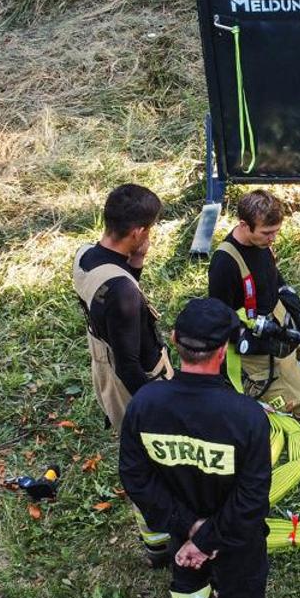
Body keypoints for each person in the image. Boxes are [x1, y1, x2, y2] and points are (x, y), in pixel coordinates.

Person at [119, 298, 275, 598]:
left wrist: (189, 530)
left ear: (174, 339)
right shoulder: (246, 418)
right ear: (223, 350)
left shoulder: (144, 404)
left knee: (189, 587)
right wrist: (209, 539)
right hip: (236, 539)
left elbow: (135, 477)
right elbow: (251, 499)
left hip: (180, 529)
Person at [73, 184, 176, 559]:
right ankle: (160, 539)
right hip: (136, 380)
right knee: (156, 459)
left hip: (103, 363)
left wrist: (137, 262)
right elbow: (130, 363)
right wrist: (163, 401)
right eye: (149, 229)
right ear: (138, 232)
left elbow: (118, 306)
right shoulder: (122, 292)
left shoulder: (86, 257)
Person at [206, 190, 300, 415]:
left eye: (276, 232)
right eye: (267, 233)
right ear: (244, 225)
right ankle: (261, 382)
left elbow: (275, 279)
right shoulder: (225, 263)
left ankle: (294, 366)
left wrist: (299, 313)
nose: (272, 238)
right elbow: (220, 318)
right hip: (256, 342)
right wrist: (261, 344)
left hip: (282, 321)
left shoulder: (262, 244)